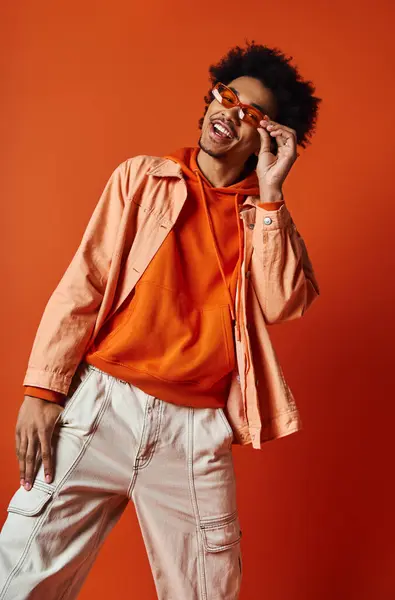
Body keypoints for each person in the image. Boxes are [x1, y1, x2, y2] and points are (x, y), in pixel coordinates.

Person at [0, 41, 321, 599]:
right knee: (18, 579)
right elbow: (86, 280)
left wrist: (271, 195)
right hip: (101, 406)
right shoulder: (142, 180)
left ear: (266, 141)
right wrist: (42, 390)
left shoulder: (265, 220)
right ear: (208, 100)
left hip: (194, 433)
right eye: (227, 98)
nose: (231, 115)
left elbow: (282, 303)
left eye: (253, 117)